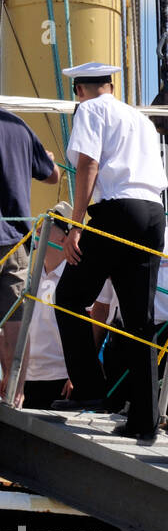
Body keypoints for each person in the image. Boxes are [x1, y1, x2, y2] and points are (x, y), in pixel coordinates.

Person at [52, 62, 168, 442]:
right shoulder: (141, 119)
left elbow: (88, 164)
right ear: (111, 84)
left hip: (117, 210)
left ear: (80, 90)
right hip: (153, 214)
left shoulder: (90, 109)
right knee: (140, 320)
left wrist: (76, 225)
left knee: (68, 296)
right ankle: (145, 420)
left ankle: (91, 389)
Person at [18, 203, 112, 408]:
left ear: (66, 237)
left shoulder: (83, 283)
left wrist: (79, 376)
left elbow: (96, 326)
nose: (39, 228)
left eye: (49, 224)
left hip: (63, 381)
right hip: (26, 380)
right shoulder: (28, 277)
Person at [0, 105, 61, 386]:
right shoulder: (19, 127)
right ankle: (16, 392)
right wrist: (47, 158)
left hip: (12, 236)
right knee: (15, 319)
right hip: (14, 240)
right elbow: (53, 175)